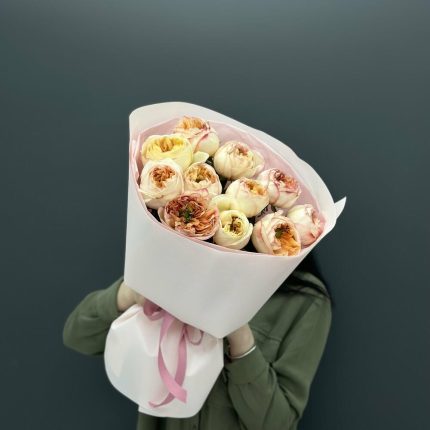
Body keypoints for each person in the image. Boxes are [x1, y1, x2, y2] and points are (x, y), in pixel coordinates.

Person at [63, 253, 332, 430]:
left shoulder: (306, 302)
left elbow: (278, 424)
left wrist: (239, 336)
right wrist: (130, 293)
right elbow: (77, 336)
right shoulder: (180, 257)